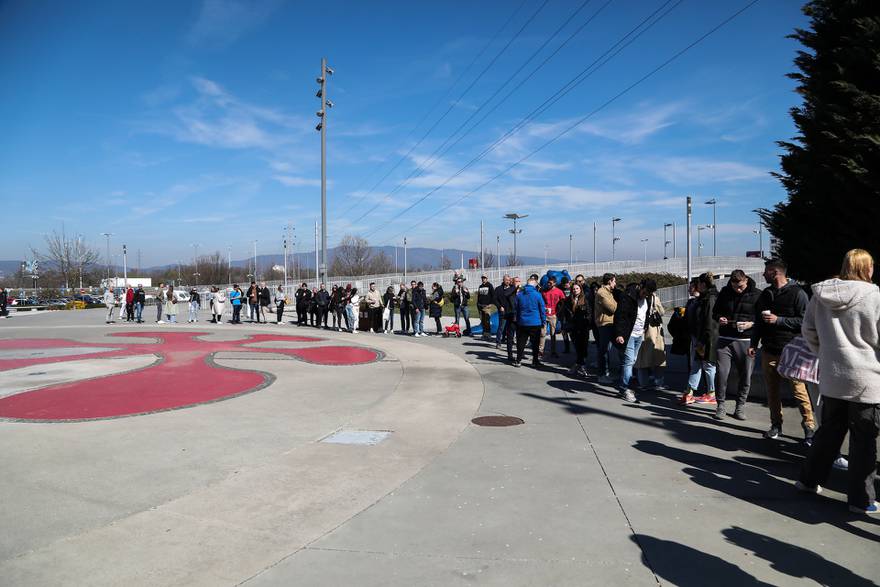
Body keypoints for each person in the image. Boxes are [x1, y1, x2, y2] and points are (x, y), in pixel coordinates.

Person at [797, 249, 879, 514]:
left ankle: (809, 480)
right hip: (867, 377)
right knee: (864, 440)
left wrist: (825, 352)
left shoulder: (821, 295)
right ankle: (860, 499)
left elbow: (808, 329)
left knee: (829, 432)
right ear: (866, 268)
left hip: (833, 374)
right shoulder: (874, 295)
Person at [749, 259, 815, 442]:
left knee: (799, 390)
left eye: (766, 271)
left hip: (792, 351)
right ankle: (776, 424)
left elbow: (805, 321)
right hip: (769, 349)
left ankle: (809, 427)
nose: (763, 275)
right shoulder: (766, 294)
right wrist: (753, 344)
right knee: (772, 391)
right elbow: (759, 323)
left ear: (775, 272)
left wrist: (779, 320)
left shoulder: (798, 293)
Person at [712, 270, 761, 420]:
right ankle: (720, 405)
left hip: (746, 340)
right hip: (725, 337)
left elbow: (762, 318)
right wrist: (720, 318)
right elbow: (715, 312)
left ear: (746, 280)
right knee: (721, 373)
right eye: (735, 287)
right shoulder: (725, 292)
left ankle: (740, 406)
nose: (738, 289)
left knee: (745, 375)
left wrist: (751, 324)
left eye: (740, 286)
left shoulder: (757, 294)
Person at [680, 273, 719, 405]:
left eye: (697, 284)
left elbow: (710, 322)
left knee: (708, 365)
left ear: (703, 284)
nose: (696, 287)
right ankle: (689, 392)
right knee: (697, 364)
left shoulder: (710, 298)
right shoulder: (704, 298)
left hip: (707, 338)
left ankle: (711, 393)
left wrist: (704, 340)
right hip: (700, 337)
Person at [613, 281, 654, 402]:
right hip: (628, 334)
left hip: (639, 334)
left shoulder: (648, 298)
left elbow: (646, 314)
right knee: (629, 361)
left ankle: (622, 387)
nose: (645, 296)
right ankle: (626, 389)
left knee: (632, 360)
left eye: (648, 294)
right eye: (644, 293)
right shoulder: (628, 296)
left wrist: (645, 326)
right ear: (641, 287)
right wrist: (619, 334)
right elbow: (620, 316)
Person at [633, 279, 666, 392]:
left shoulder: (637, 297)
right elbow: (662, 312)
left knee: (642, 359)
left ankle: (643, 383)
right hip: (654, 330)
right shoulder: (654, 298)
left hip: (642, 330)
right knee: (658, 358)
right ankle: (658, 383)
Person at [513, 275, 546, 368]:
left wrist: (518, 319)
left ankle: (518, 360)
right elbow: (542, 309)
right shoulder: (537, 295)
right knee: (535, 343)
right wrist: (543, 321)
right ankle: (535, 361)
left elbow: (516, 309)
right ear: (535, 285)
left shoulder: (519, 295)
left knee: (521, 342)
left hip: (522, 322)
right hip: (535, 322)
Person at [563, 282, 592, 376]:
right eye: (574, 289)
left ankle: (578, 365)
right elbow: (566, 313)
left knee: (583, 347)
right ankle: (581, 365)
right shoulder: (568, 300)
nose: (575, 290)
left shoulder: (585, 299)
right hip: (573, 327)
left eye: (577, 289)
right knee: (577, 346)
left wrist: (588, 322)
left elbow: (589, 313)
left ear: (580, 290)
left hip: (583, 326)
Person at [595, 273, 618, 384]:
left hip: (610, 323)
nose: (615, 283)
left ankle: (606, 373)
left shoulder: (608, 292)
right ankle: (601, 375)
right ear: (609, 281)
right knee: (603, 350)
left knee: (608, 349)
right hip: (604, 324)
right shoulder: (602, 293)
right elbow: (613, 308)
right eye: (614, 281)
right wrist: (617, 303)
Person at [540, 277, 565, 359]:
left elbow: (563, 301)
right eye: (548, 283)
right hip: (544, 314)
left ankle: (553, 351)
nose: (549, 284)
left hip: (553, 315)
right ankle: (541, 351)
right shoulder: (544, 291)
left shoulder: (559, 291)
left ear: (555, 283)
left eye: (550, 283)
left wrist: (559, 310)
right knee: (542, 333)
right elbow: (540, 301)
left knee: (553, 334)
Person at [495, 275, 517, 353]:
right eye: (506, 280)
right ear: (503, 280)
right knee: (501, 327)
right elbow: (495, 299)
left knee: (511, 328)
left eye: (509, 280)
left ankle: (510, 341)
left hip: (511, 311)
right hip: (503, 311)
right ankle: (498, 342)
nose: (507, 281)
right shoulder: (498, 289)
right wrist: (500, 306)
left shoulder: (513, 288)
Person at [476, 275, 495, 339]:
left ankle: (488, 334)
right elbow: (479, 296)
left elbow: (493, 295)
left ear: (487, 278)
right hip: (480, 306)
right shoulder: (480, 286)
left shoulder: (489, 285)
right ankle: (484, 333)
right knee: (483, 321)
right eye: (482, 278)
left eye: (484, 278)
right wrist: (478, 304)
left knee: (487, 321)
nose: (483, 279)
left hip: (487, 306)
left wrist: (491, 303)